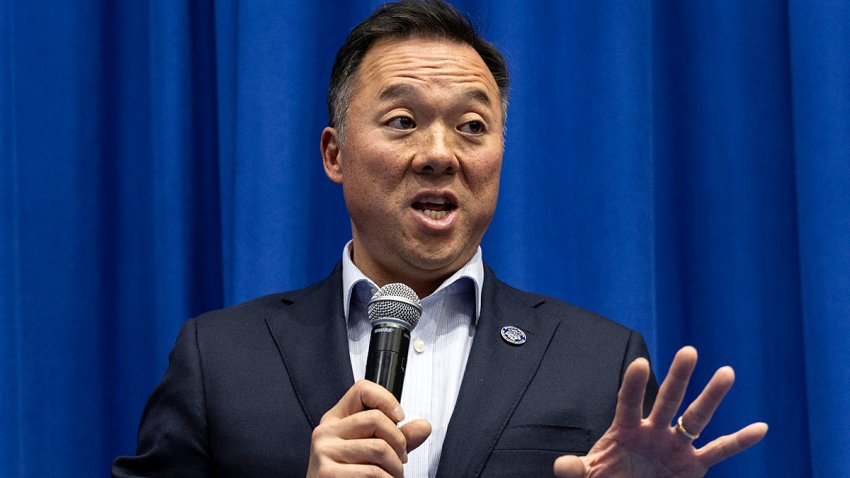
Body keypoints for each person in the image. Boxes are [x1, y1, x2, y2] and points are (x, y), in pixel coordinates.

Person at [113, 1, 767, 476]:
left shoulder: (599, 360)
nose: (439, 154)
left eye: (472, 127)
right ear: (334, 154)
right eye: (403, 121)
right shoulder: (220, 359)